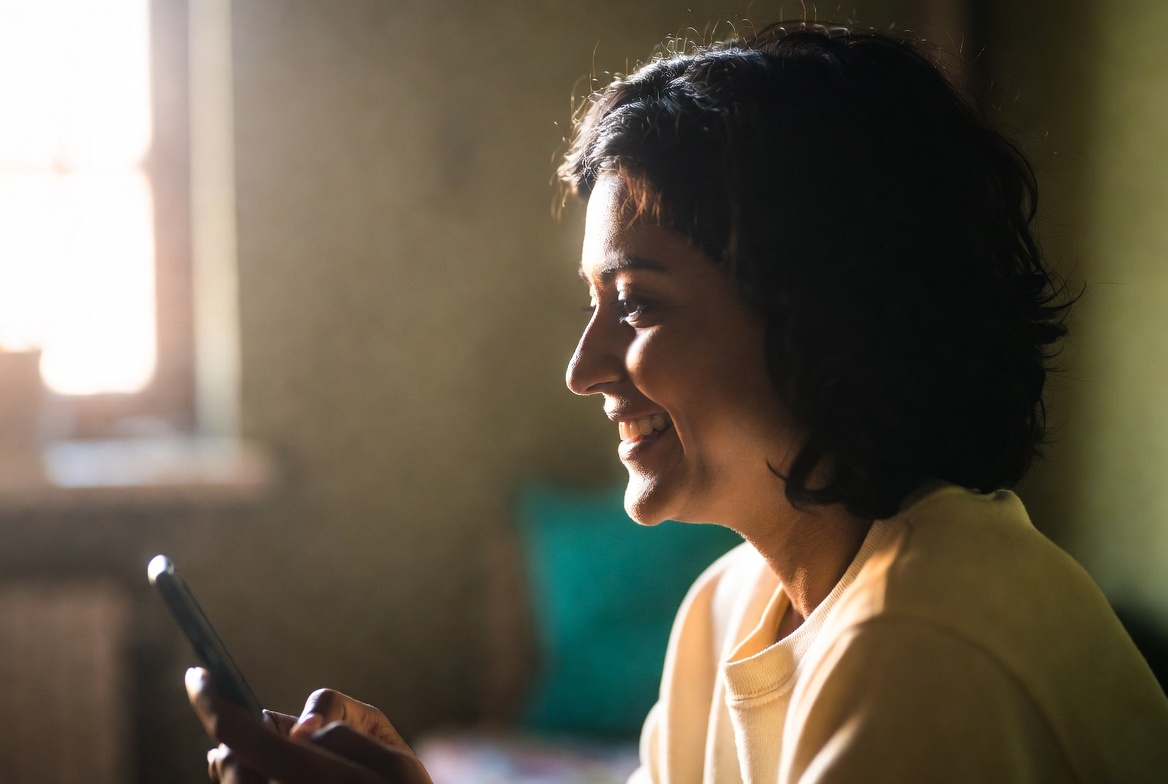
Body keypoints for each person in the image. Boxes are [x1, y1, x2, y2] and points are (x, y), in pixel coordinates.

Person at [186, 22, 1168, 783]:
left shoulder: (920, 647)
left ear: (820, 314)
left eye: (638, 305)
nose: (584, 367)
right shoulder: (730, 603)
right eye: (592, 306)